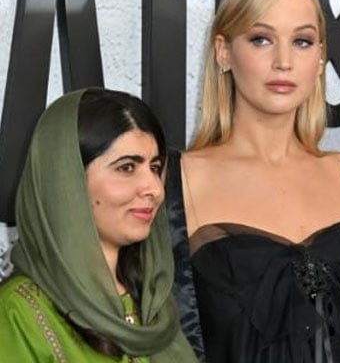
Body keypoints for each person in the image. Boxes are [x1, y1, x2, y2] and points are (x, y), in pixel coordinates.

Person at [165, 0, 340, 362]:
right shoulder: (181, 179)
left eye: (302, 41)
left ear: (321, 57)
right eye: (261, 39)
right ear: (223, 52)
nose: (284, 61)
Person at [0, 88, 196, 362]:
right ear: (67, 180)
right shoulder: (19, 313)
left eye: (154, 167)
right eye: (127, 168)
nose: (154, 188)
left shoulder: (154, 303)